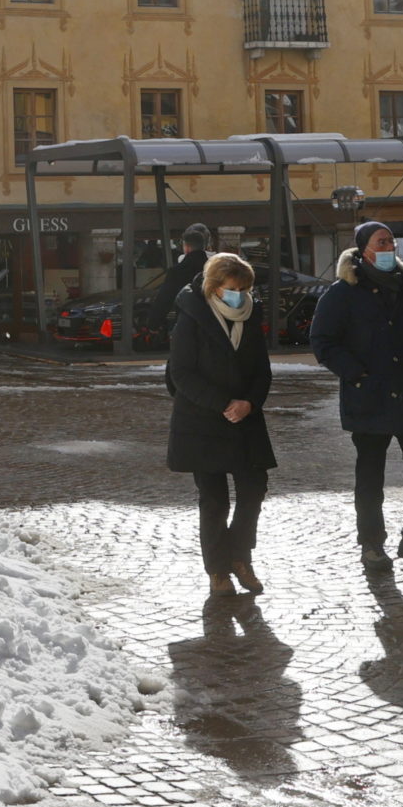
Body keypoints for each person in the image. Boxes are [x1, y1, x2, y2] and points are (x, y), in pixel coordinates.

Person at [311, 221, 403, 573]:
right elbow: (323, 341)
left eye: (391, 240)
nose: (389, 246)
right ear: (364, 250)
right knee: (370, 475)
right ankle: (372, 545)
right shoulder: (344, 291)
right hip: (370, 396)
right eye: (381, 241)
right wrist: (356, 372)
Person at [169, 252, 275, 598]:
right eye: (233, 288)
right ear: (214, 288)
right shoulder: (190, 318)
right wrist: (222, 403)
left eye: (245, 288)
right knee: (213, 501)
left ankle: (239, 556)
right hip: (203, 421)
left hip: (245, 419)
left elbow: (262, 369)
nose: (240, 294)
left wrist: (249, 402)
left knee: (254, 488)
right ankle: (218, 572)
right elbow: (180, 374)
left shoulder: (250, 313)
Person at [156, 223, 215, 311]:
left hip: (185, 315)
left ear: (186, 246)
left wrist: (151, 324)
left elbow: (164, 300)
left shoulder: (180, 266)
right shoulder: (217, 264)